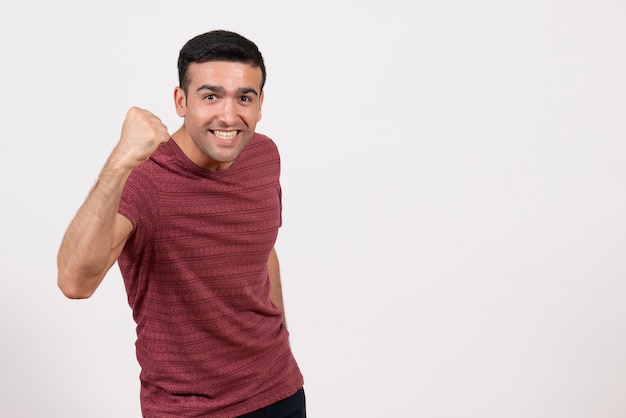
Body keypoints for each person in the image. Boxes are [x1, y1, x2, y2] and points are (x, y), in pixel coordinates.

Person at [57, 30, 305, 417]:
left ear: (260, 104)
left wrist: (281, 342)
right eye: (210, 96)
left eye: (244, 97)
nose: (228, 114)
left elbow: (262, 250)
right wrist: (121, 160)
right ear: (180, 101)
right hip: (189, 411)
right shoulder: (142, 180)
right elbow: (74, 282)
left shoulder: (264, 155)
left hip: (279, 393)